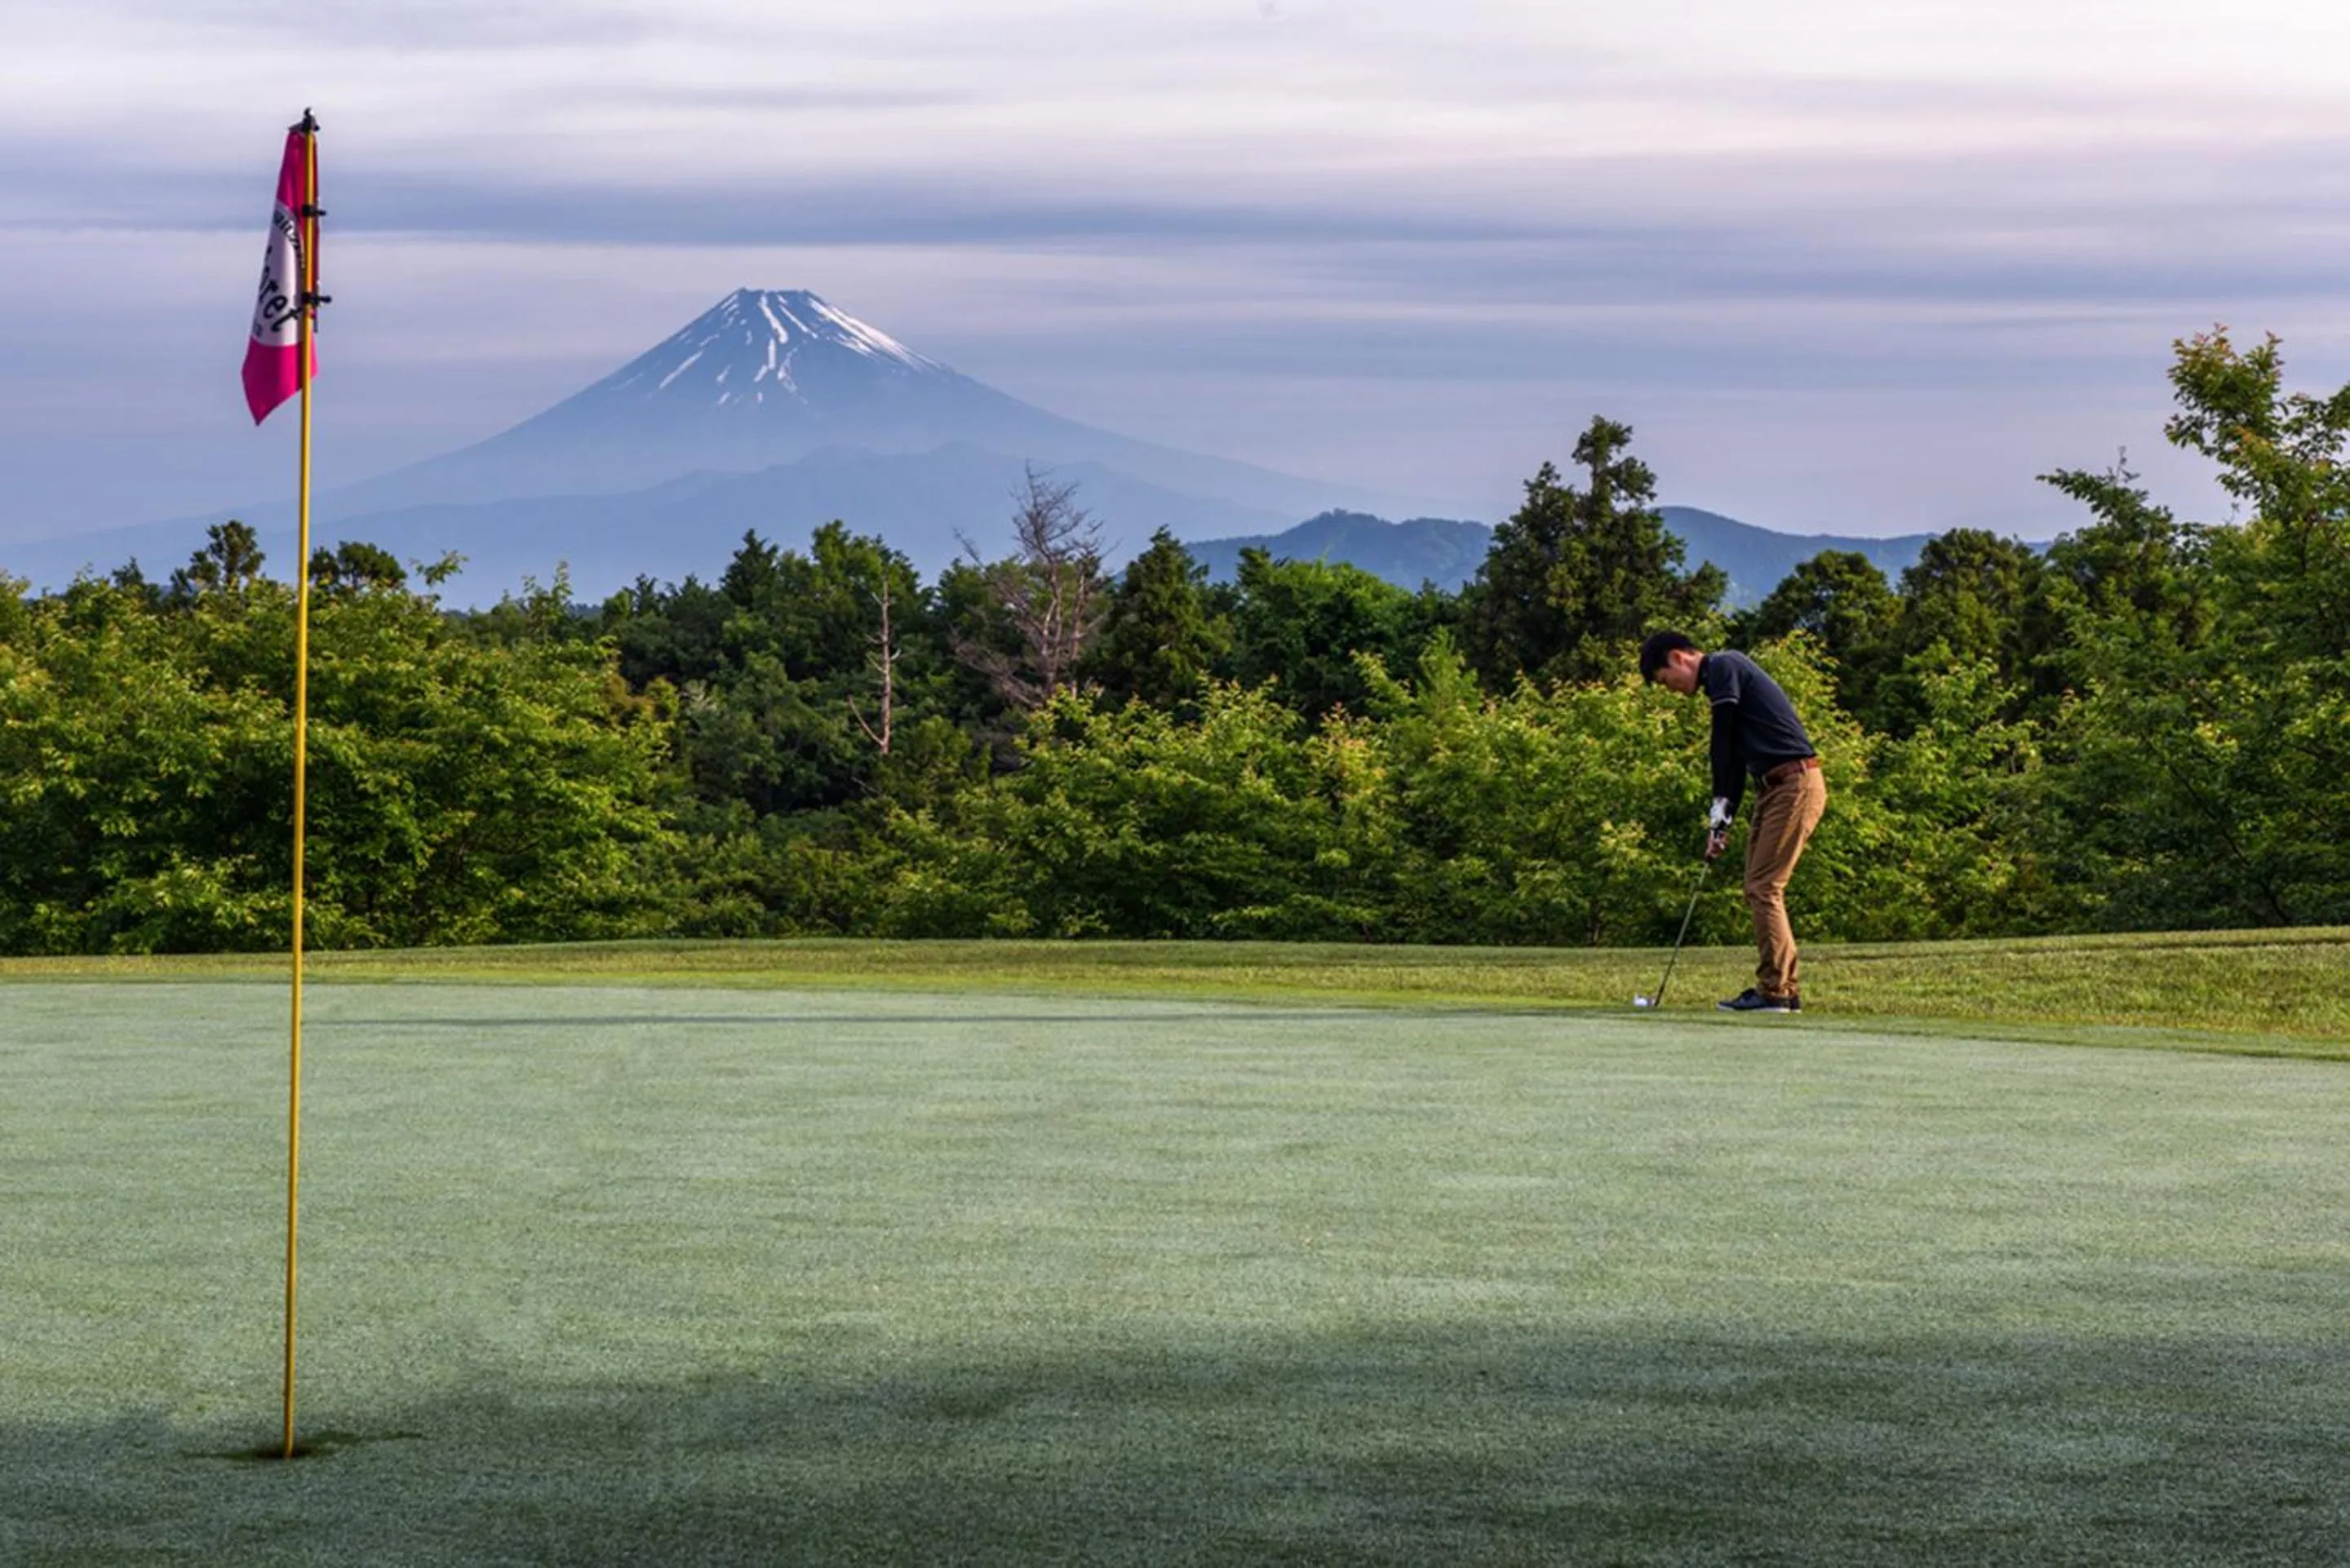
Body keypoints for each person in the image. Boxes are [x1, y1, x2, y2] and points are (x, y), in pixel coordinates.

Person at [1638, 631, 1827, 1012]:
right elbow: (1734, 765)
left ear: (1678, 658)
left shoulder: (1725, 665)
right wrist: (1719, 825)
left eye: (1664, 680)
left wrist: (1718, 814)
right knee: (1758, 887)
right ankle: (1782, 990)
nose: (1671, 690)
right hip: (1774, 787)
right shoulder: (1720, 683)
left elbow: (1720, 746)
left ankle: (1776, 992)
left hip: (1794, 782)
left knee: (1764, 887)